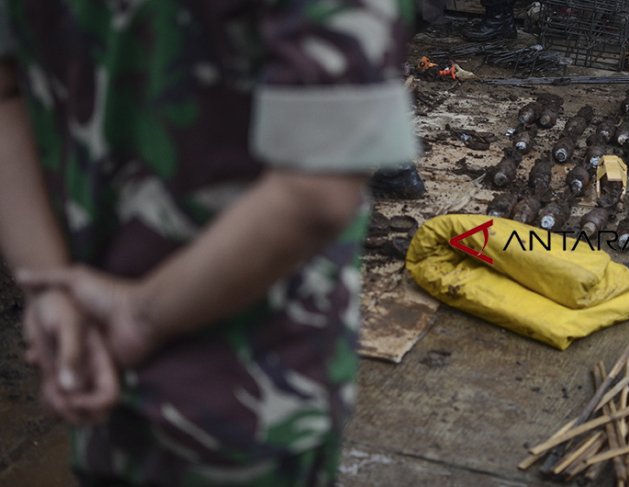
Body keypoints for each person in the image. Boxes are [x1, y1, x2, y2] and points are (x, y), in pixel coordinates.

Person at [0, 0, 417, 485]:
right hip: (247, 381)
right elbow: (316, 190)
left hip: (80, 333)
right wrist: (135, 316)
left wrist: (48, 287)